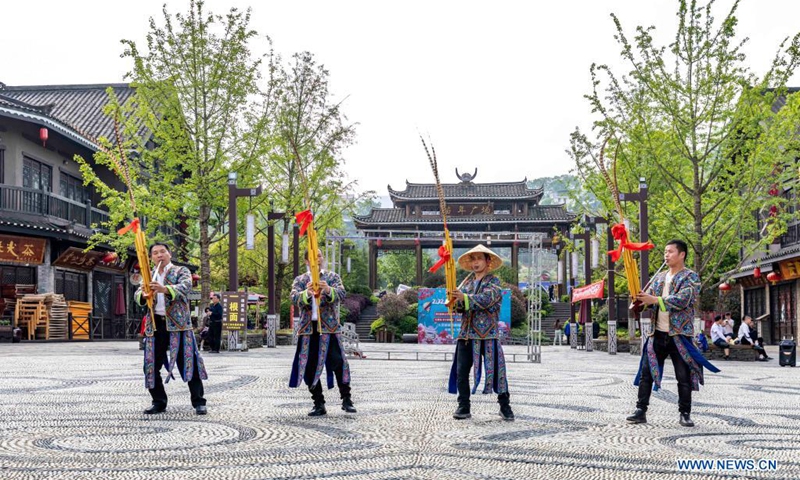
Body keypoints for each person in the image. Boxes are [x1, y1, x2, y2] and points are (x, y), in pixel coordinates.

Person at [626, 239, 719, 427]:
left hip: (680, 335)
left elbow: (683, 300)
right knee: (646, 373)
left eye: (670, 252)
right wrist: (639, 302)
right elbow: (649, 302)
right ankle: (640, 410)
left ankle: (685, 413)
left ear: (681, 254)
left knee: (683, 376)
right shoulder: (659, 278)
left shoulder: (690, 277)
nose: (666, 255)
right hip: (657, 333)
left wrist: (655, 299)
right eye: (665, 252)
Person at [136, 242, 208, 415]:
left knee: (189, 361)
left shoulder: (180, 271)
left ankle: (199, 401)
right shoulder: (148, 274)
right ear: (151, 257)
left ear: (169, 254)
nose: (159, 255)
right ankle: (158, 401)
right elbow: (138, 292)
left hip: (179, 325)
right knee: (151, 365)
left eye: (162, 251)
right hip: (155, 325)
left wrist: (164, 289)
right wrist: (143, 295)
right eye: (155, 253)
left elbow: (185, 288)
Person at [449, 244, 514, 421]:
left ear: (488, 261)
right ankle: (463, 406)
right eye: (473, 259)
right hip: (466, 334)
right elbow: (460, 308)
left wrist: (465, 298)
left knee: (498, 371)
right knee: (462, 371)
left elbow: (488, 299)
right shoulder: (466, 282)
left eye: (479, 259)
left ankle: (505, 405)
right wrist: (455, 302)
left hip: (488, 335)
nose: (475, 263)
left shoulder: (494, 282)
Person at [289, 248, 355, 417]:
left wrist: (327, 290)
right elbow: (294, 297)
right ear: (306, 261)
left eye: (318, 255)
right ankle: (318, 402)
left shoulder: (332, 277)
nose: (317, 259)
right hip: (308, 328)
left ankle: (346, 399)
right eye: (312, 256)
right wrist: (307, 293)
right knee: (308, 366)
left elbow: (341, 293)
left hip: (329, 327)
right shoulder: (301, 280)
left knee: (338, 361)